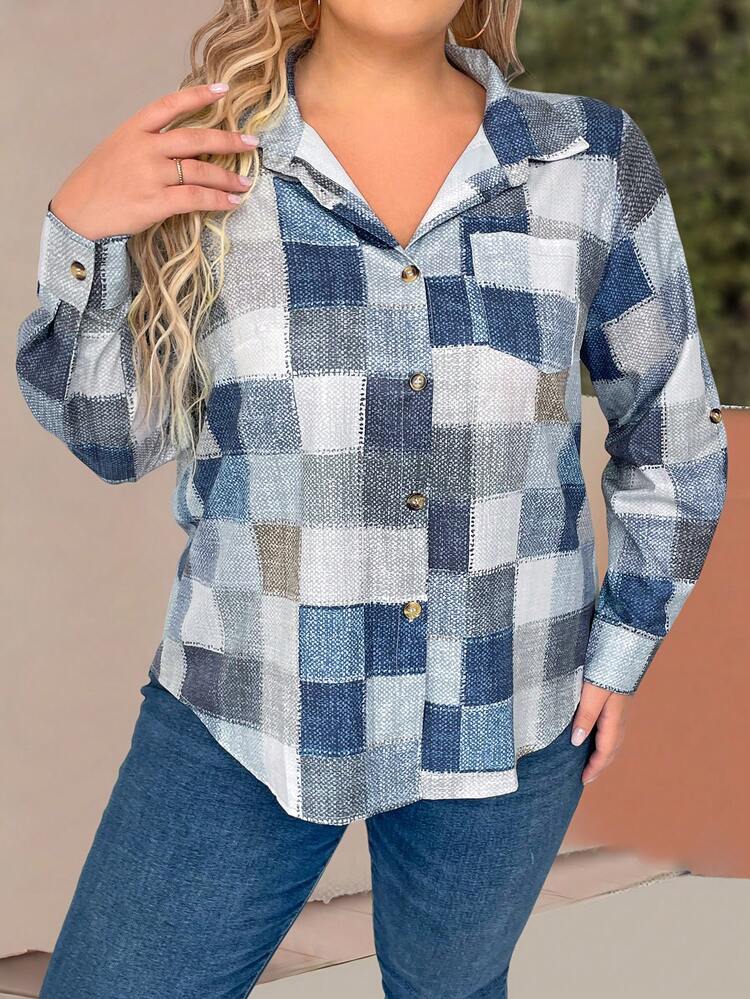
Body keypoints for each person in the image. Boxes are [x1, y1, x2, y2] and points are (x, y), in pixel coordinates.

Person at [16, 1, 728, 996]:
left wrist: (624, 647)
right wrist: (82, 232)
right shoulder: (205, 160)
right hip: (247, 699)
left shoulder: (588, 160)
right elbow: (113, 439)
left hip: (507, 704)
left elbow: (673, 431)